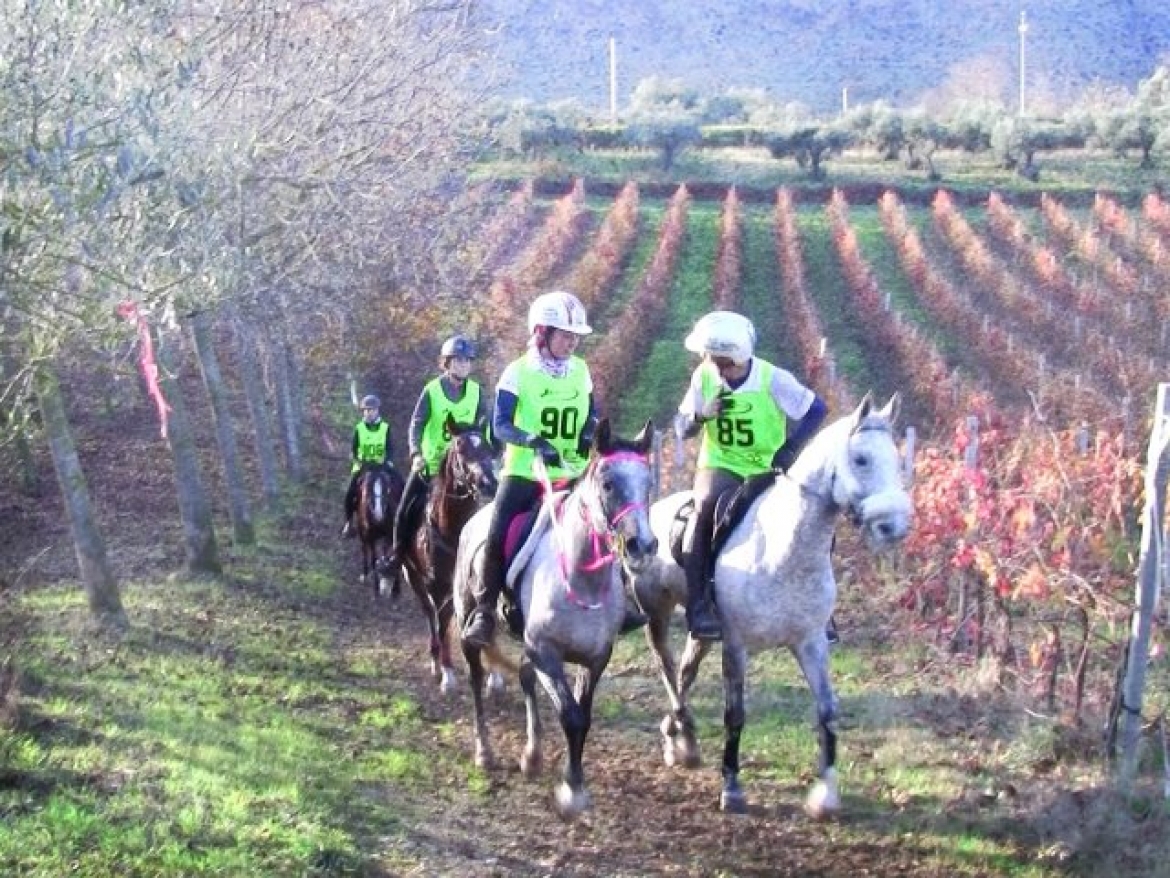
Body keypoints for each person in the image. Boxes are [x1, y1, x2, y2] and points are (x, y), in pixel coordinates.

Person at [675, 311, 828, 641]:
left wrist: (791, 447)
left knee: (810, 518)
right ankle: (699, 605)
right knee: (705, 506)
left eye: (722, 362)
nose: (716, 368)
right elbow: (682, 427)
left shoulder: (772, 379)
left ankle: (818, 610)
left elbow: (816, 409)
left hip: (767, 467)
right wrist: (701, 415)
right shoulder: (703, 377)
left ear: (737, 357)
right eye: (710, 360)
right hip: (721, 462)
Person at [461, 290, 599, 648]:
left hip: (573, 471)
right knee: (497, 533)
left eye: (575, 337)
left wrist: (588, 432)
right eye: (565, 335)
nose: (572, 342)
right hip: (526, 473)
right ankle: (485, 610)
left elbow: (592, 412)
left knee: (606, 522)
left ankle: (619, 599)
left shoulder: (580, 370)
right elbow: (501, 425)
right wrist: (533, 441)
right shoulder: (518, 372)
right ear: (542, 333)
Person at [382, 334, 489, 577]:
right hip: (431, 466)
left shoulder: (477, 392)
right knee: (404, 510)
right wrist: (415, 453)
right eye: (458, 360)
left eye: (467, 360)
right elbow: (416, 425)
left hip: (464, 467)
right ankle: (397, 555)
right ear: (446, 363)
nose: (463, 365)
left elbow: (483, 426)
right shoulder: (432, 390)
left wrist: (488, 453)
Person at [340, 394, 394, 538]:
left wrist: (387, 460)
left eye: (372, 410)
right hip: (364, 467)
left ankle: (401, 520)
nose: (369, 413)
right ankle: (349, 522)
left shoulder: (385, 428)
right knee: (349, 492)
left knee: (401, 484)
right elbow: (353, 450)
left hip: (381, 465)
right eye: (366, 410)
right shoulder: (359, 428)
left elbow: (390, 448)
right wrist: (358, 461)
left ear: (377, 410)